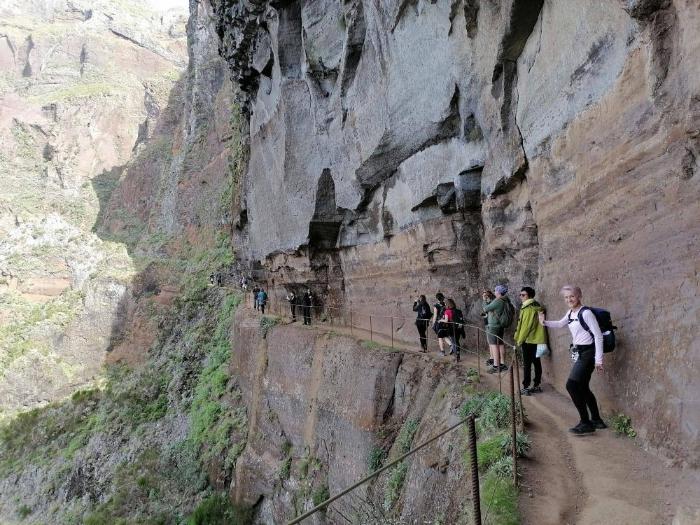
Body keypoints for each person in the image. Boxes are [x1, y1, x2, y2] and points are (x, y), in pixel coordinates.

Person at [538, 285, 607, 434]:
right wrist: (544, 323)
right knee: (583, 387)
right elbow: (560, 323)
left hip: (588, 352)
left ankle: (585, 422)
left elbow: (598, 336)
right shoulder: (571, 312)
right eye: (566, 297)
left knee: (571, 385)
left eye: (572, 296)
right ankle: (597, 420)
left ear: (579, 296)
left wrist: (598, 360)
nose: (569, 299)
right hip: (581, 352)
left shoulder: (586, 313)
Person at [514, 286, 547, 395]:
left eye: (523, 295)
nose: (521, 297)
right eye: (520, 295)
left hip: (528, 340)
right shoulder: (536, 306)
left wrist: (519, 340)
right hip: (536, 340)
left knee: (527, 364)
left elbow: (526, 327)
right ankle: (536, 385)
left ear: (530, 296)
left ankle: (526, 387)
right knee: (537, 363)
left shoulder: (528, 308)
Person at [483, 285, 511, 373]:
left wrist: (484, 300)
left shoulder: (498, 301)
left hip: (493, 326)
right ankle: (502, 364)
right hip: (500, 325)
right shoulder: (505, 300)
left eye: (495, 290)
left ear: (498, 292)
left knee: (494, 345)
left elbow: (485, 309)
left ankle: (496, 365)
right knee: (501, 344)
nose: (494, 292)